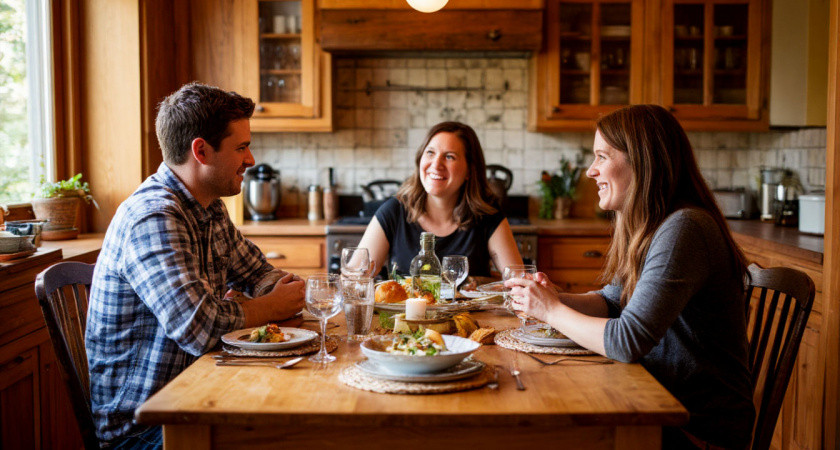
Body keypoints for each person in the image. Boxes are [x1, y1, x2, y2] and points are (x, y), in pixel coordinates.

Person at [506, 105, 755, 449]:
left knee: (539, 430)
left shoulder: (685, 229)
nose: (591, 171)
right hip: (657, 399)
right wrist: (550, 299)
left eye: (601, 157)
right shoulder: (655, 225)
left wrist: (551, 311)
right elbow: (611, 301)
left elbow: (627, 341)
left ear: (642, 160)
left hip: (695, 428)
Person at [86, 82, 305, 448]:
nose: (250, 160)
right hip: (145, 428)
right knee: (291, 437)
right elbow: (198, 328)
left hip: (198, 394)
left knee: (295, 415)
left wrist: (260, 297)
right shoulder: (153, 218)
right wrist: (265, 306)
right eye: (241, 147)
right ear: (201, 151)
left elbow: (261, 273)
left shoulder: (208, 206)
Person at [358, 121, 522, 280]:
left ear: (469, 171)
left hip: (474, 310)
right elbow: (353, 278)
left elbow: (519, 284)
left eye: (449, 157)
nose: (436, 165)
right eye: (430, 153)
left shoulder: (487, 215)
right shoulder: (394, 210)